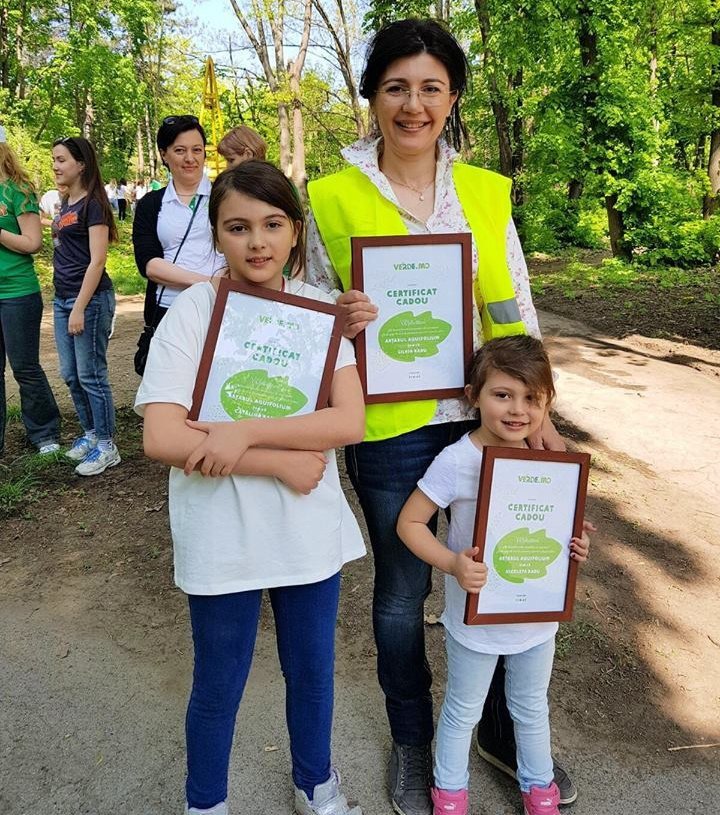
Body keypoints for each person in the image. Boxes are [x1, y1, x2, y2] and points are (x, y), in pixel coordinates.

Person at [305, 18, 572, 815]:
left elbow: (511, 308)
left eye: (430, 87)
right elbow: (313, 313)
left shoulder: (486, 192)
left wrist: (545, 417)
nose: (413, 105)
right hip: (387, 431)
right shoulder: (330, 195)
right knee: (402, 587)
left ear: (452, 98)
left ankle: (492, 731)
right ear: (372, 97)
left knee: (500, 568)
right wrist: (339, 319)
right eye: (395, 87)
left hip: (488, 422)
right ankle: (416, 742)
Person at [135, 160, 367, 815]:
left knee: (313, 669)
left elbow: (348, 419)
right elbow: (161, 434)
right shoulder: (194, 313)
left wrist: (243, 433)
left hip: (304, 528)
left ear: (296, 231)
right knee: (218, 680)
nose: (257, 241)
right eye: (237, 227)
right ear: (216, 234)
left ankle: (316, 783)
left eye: (272, 224)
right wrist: (273, 460)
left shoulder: (320, 311)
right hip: (222, 530)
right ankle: (205, 802)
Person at [397, 336, 592, 815]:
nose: (517, 410)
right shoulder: (456, 460)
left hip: (536, 619)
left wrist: (576, 546)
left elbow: (557, 531)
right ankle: (449, 792)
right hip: (475, 620)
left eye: (531, 399)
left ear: (547, 404)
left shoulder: (549, 464)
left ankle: (538, 785)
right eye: (502, 395)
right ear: (473, 396)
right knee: (463, 709)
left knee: (530, 708)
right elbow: (409, 522)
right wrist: (451, 563)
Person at [51, 136, 120, 476]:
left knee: (91, 375)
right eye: (54, 159)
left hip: (88, 300)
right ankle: (91, 435)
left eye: (61, 159)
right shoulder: (66, 203)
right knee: (70, 374)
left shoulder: (93, 205)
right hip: (62, 298)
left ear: (81, 164)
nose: (55, 166)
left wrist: (79, 307)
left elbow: (97, 261)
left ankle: (108, 446)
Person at [132, 115, 225, 337]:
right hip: (168, 308)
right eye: (180, 150)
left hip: (218, 306)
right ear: (164, 154)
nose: (190, 158)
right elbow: (150, 265)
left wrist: (220, 288)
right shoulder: (151, 204)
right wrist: (208, 283)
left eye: (197, 150)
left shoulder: (225, 197)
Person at [0, 126, 61, 456]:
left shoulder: (17, 190)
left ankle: (44, 433)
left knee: (24, 366)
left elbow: (32, 243)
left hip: (16, 292)